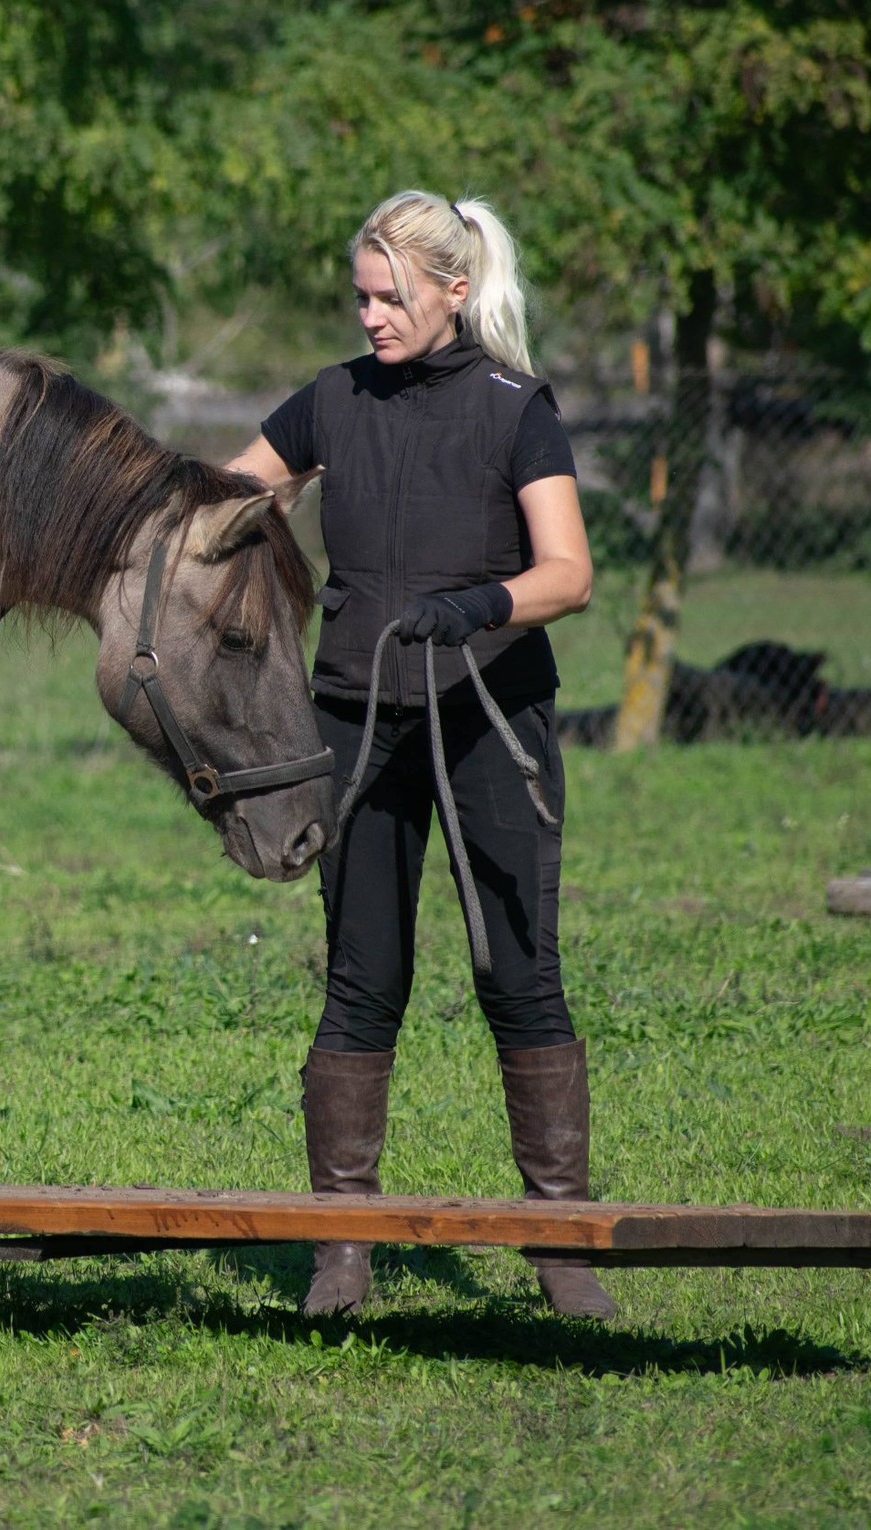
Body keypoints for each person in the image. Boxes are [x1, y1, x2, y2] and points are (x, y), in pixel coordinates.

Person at [225, 190, 614, 1320]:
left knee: (518, 976)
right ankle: (341, 1249)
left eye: (390, 297)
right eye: (359, 296)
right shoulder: (330, 401)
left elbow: (569, 573)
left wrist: (479, 606)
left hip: (490, 718)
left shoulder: (513, 408)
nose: (371, 318)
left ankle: (559, 1242)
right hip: (354, 721)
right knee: (360, 982)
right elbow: (215, 505)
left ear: (454, 289)